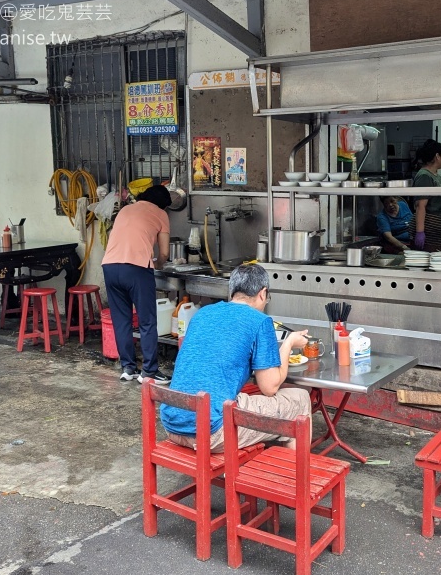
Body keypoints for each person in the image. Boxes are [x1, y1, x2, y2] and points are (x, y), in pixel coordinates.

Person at [160, 264, 311, 452]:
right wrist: (288, 343)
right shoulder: (260, 321)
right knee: (300, 399)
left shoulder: (203, 314)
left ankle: (260, 463)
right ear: (263, 294)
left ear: (232, 291)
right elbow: (269, 387)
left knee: (244, 399)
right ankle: (288, 476)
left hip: (172, 424)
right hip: (212, 432)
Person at [101, 184, 172, 383]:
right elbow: (165, 253)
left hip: (110, 266)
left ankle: (128, 368)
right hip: (136, 268)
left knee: (122, 319)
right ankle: (149, 372)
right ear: (163, 204)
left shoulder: (126, 209)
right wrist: (157, 264)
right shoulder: (160, 214)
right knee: (147, 321)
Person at [409, 139, 441, 252]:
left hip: (438, 234)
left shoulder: (436, 177)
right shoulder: (424, 176)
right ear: (437, 156)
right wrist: (420, 232)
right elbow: (421, 206)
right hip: (429, 234)